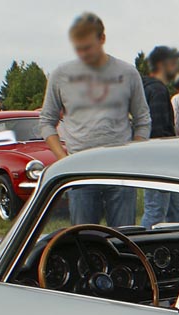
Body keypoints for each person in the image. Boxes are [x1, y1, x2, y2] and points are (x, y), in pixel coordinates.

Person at [38, 12, 149, 227]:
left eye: (88, 47)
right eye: (78, 48)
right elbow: (46, 121)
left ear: (102, 39)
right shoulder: (61, 75)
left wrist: (133, 155)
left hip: (121, 173)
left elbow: (143, 119)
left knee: (124, 238)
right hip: (81, 172)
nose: (83, 53)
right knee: (84, 240)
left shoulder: (128, 73)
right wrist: (64, 160)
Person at [140, 45, 179, 229]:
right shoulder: (157, 90)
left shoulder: (143, 87)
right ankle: (143, 250)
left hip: (151, 157)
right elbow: (158, 131)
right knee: (156, 211)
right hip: (159, 160)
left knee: (178, 210)